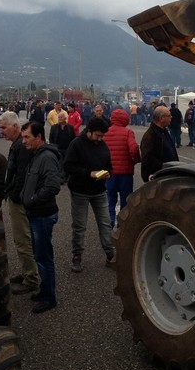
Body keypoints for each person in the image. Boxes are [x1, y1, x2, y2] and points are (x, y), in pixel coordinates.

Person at [63, 117, 115, 272]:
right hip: (80, 191)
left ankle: (110, 254)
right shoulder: (76, 144)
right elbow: (68, 166)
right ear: (89, 131)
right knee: (79, 226)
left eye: (102, 136)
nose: (100, 139)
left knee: (105, 223)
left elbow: (108, 164)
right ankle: (77, 256)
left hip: (99, 191)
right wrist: (88, 173)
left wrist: (108, 173)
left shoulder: (102, 144)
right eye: (98, 135)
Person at [21, 121, 62, 313]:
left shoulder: (46, 157)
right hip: (35, 213)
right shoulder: (35, 155)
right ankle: (44, 290)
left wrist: (33, 200)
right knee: (39, 255)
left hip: (42, 215)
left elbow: (53, 185)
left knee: (44, 257)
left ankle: (48, 297)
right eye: (23, 137)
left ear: (39, 137)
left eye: (27, 137)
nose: (24, 141)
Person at [0, 111, 40, 296]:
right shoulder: (17, 144)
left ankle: (31, 279)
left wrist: (15, 195)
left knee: (23, 239)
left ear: (15, 126)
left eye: (3, 127)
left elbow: (22, 174)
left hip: (20, 199)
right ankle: (26, 272)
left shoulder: (21, 147)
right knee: (22, 238)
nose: (1, 131)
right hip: (20, 196)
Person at [105, 108, 140, 228]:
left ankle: (109, 221)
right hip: (125, 172)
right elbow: (134, 148)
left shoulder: (106, 132)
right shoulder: (128, 132)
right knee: (126, 199)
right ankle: (123, 223)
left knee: (110, 198)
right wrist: (135, 160)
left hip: (109, 172)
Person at [140, 105, 179, 182]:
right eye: (169, 115)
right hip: (159, 177)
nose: (171, 117)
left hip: (169, 174)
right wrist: (164, 167)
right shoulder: (150, 136)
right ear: (161, 118)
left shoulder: (163, 132)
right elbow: (147, 159)